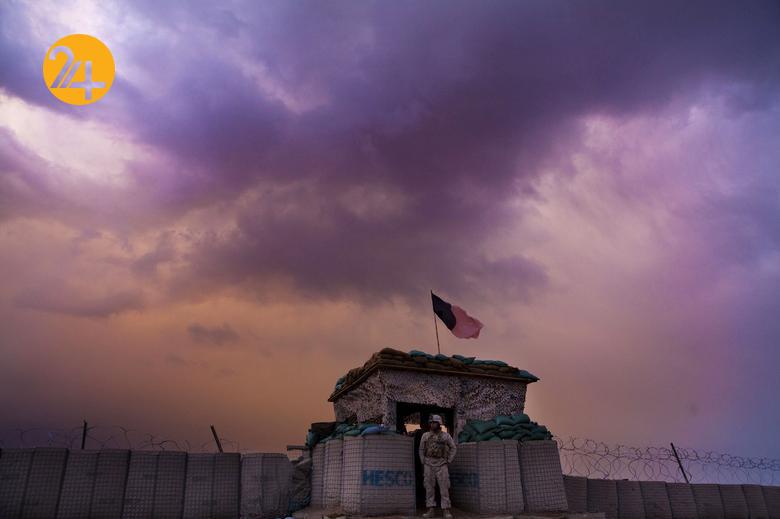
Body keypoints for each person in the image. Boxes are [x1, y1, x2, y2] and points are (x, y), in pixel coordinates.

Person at [418, 414, 456, 518]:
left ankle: (446, 510)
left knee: (444, 487)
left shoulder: (445, 436)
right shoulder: (425, 435)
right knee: (429, 487)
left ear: (439, 423)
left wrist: (449, 460)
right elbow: (421, 449)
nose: (432, 424)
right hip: (428, 464)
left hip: (441, 464)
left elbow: (453, 448)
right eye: (431, 423)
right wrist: (423, 461)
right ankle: (430, 509)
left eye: (434, 422)